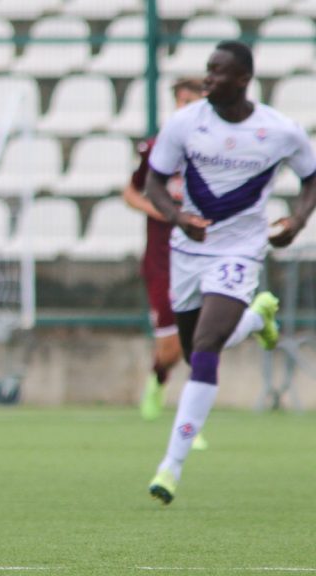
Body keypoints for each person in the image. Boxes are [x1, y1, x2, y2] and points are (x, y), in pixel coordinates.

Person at [145, 41, 316, 505]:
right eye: (208, 69)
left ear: (243, 79)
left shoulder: (279, 131)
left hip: (240, 251)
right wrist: (178, 218)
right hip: (188, 249)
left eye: (218, 71)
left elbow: (311, 177)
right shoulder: (185, 122)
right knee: (193, 348)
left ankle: (170, 466)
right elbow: (154, 182)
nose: (208, 78)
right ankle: (257, 319)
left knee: (205, 347)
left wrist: (297, 221)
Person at [124, 78, 278, 451]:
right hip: (164, 258)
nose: (184, 107)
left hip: (211, 254)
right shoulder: (161, 148)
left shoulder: (218, 149)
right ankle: (158, 378)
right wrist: (164, 212)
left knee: (204, 338)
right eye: (180, 101)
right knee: (171, 349)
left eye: (190, 101)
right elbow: (131, 192)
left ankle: (190, 424)